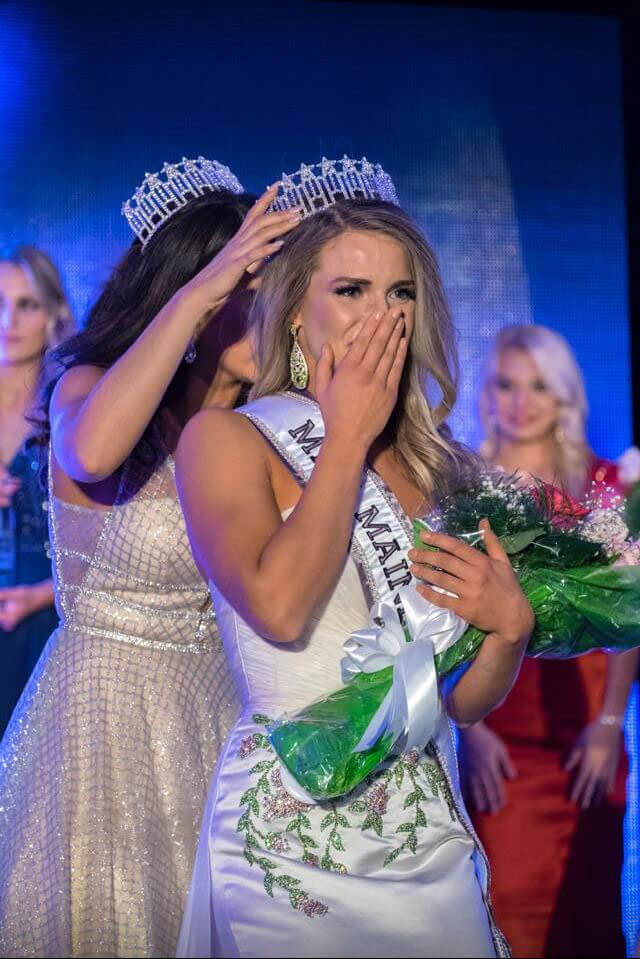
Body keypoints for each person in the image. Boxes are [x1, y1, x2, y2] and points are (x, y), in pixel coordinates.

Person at [175, 157, 534, 958]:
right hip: (294, 831)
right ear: (296, 315)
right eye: (351, 291)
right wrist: (343, 439)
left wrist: (508, 631)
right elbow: (279, 605)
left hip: (422, 831)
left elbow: (463, 699)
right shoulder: (227, 439)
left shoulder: (442, 468)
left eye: (399, 292)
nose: (382, 315)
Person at [0, 158, 301, 958]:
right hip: (104, 735)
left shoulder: (263, 428)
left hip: (222, 726)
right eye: (248, 291)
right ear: (193, 294)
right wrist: (206, 289)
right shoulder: (87, 388)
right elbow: (94, 450)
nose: (270, 314)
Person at [458, 323, 638, 958]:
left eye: (538, 386)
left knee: (585, 912)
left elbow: (632, 615)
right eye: (506, 385)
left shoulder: (606, 485)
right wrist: (468, 731)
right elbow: (434, 619)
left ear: (563, 394)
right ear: (487, 394)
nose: (521, 401)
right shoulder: (464, 485)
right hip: (497, 734)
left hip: (586, 730)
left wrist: (610, 724)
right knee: (505, 908)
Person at [0, 245, 75, 736]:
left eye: (26, 304)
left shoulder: (72, 401)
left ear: (53, 313)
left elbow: (116, 532)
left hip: (47, 618)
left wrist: (44, 595)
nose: (9, 319)